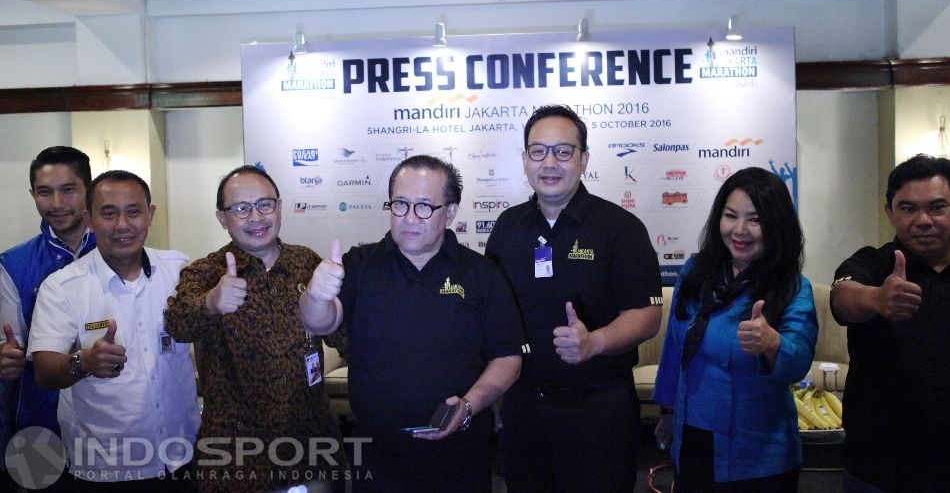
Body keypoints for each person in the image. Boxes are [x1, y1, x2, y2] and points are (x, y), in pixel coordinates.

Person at [301, 155, 524, 492]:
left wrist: (467, 406)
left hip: (460, 455)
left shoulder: (481, 273)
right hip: (377, 456)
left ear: (449, 212)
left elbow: (508, 358)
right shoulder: (361, 265)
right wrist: (316, 296)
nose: (409, 218)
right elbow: (321, 322)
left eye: (423, 207)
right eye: (400, 205)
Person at [484, 104, 663, 492]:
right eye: (538, 151)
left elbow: (647, 314)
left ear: (583, 160)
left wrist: (595, 341)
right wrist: (492, 392)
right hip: (523, 407)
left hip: (598, 410)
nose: (550, 162)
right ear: (524, 159)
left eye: (563, 152)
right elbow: (492, 317)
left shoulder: (621, 228)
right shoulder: (507, 227)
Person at [164, 165, 347, 492]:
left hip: (310, 449)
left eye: (265, 204)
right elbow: (177, 323)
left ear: (279, 207)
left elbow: (344, 336)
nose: (256, 217)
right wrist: (210, 302)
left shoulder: (306, 263)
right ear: (223, 218)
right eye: (241, 209)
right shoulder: (206, 272)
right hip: (235, 459)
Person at [27, 170, 199, 492]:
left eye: (134, 211)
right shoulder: (62, 287)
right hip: (106, 469)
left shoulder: (180, 270)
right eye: (109, 213)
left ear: (151, 215)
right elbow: (45, 371)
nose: (122, 225)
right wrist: (83, 362)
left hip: (182, 457)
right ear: (89, 219)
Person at [652, 167, 818, 492]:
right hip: (693, 440)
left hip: (759, 455)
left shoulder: (793, 287)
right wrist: (668, 412)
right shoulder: (695, 272)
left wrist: (772, 344)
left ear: (776, 225)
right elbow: (675, 349)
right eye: (731, 216)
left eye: (755, 220)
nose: (740, 230)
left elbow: (798, 358)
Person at [830, 154, 950, 492]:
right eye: (907, 208)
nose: (923, 220)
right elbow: (843, 296)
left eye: (937, 207)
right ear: (890, 213)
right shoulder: (874, 262)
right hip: (878, 470)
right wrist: (878, 299)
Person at [0, 146, 97, 489]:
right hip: (40, 422)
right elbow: (11, 343)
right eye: (44, 192)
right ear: (32, 194)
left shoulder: (120, 252)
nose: (56, 203)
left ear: (89, 190)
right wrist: (6, 358)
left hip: (111, 419)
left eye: (68, 190)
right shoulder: (12, 263)